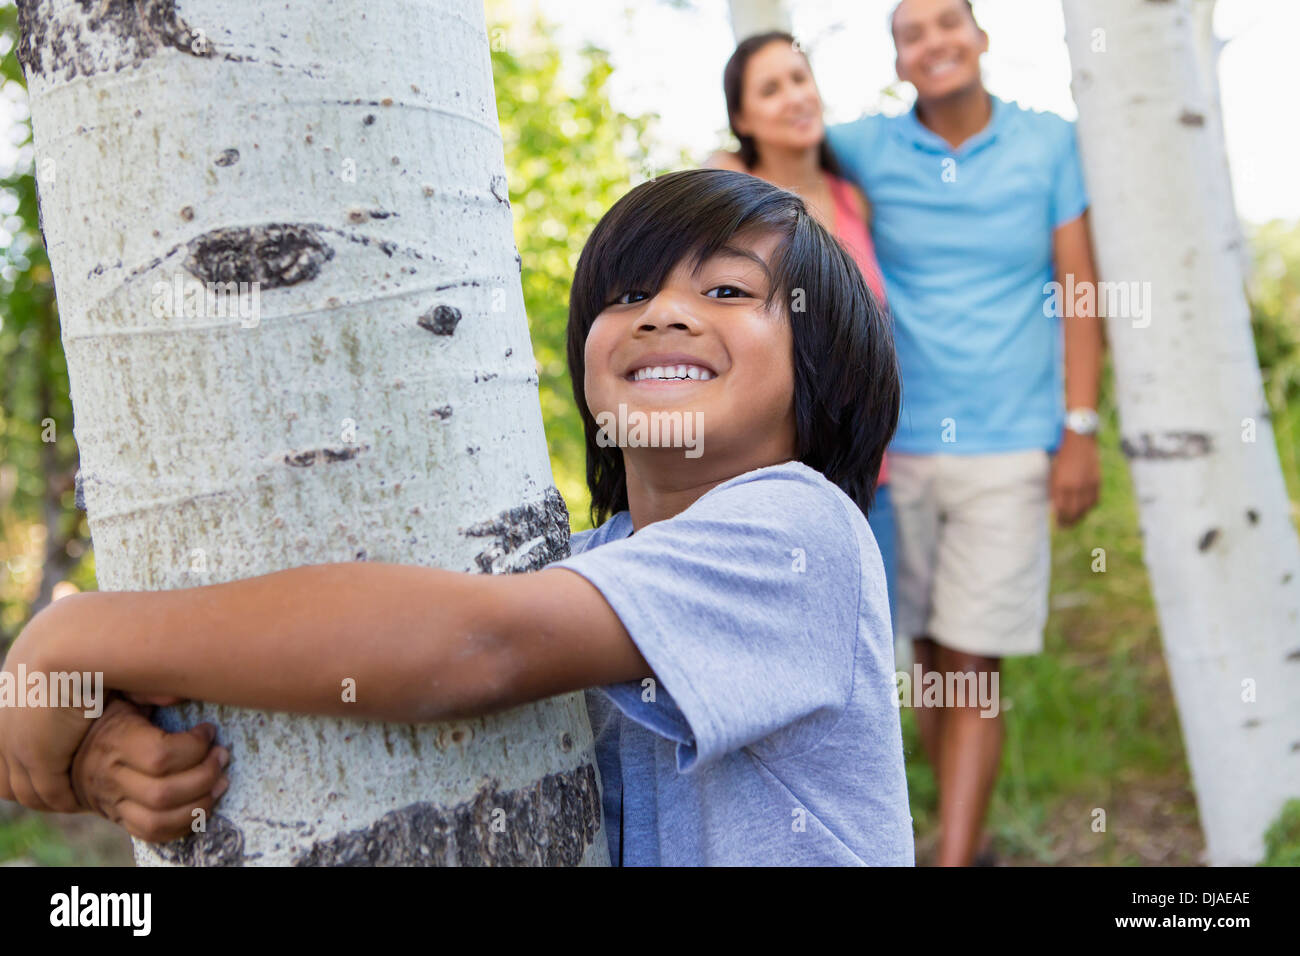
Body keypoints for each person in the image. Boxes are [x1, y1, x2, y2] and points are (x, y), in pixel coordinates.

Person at [0, 169, 914, 867]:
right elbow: (353, 637)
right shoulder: (589, 565)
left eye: (726, 292)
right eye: (628, 294)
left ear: (823, 371)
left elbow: (471, 647)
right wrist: (99, 756)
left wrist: (80, 636)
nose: (663, 314)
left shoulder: (800, 532)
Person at [829, 0, 1105, 866]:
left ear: (980, 39)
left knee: (974, 661)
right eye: (913, 34)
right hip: (897, 451)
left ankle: (952, 856)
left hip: (1011, 445)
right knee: (925, 666)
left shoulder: (1050, 143)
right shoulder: (866, 148)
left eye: (950, 23)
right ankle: (955, 835)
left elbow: (1079, 289)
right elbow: (775, 152)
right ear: (900, 62)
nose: (935, 42)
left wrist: (1081, 428)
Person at [704, 30, 899, 626]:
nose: (794, 97)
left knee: (867, 653)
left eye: (799, 79)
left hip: (869, 467)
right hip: (775, 470)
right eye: (770, 89)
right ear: (742, 117)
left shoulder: (850, 198)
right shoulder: (735, 196)